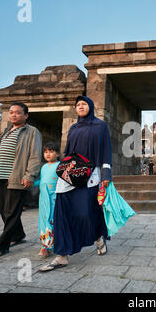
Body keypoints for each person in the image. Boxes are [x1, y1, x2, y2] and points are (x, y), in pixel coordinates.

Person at [39, 96, 112, 272]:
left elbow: (106, 150)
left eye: (84, 103)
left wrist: (106, 173)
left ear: (91, 106)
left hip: (91, 173)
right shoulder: (73, 128)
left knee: (86, 212)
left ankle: (98, 237)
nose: (80, 106)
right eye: (77, 104)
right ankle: (62, 255)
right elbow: (67, 152)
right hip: (71, 173)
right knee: (62, 212)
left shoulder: (100, 126)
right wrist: (63, 171)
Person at [0, 102, 42, 259]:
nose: (13, 115)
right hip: (0, 177)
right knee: (5, 212)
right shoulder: (6, 132)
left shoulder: (32, 132)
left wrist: (30, 175)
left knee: (12, 213)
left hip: (17, 178)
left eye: (18, 112)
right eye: (11, 112)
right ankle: (18, 235)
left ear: (26, 115)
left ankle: (0, 246)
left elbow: (35, 155)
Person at [34, 142, 60, 259]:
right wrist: (31, 183)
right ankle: (45, 245)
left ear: (58, 154)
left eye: (51, 151)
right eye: (45, 152)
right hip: (43, 199)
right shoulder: (43, 167)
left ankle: (51, 245)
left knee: (53, 220)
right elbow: (42, 181)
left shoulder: (60, 165)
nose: (48, 154)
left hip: (54, 198)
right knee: (43, 220)